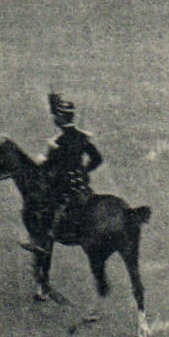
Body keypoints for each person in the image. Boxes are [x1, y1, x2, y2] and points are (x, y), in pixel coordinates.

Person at [37, 94, 102, 247]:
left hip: (63, 185)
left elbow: (48, 165)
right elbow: (97, 158)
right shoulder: (82, 137)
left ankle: (44, 241)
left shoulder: (58, 141)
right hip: (81, 184)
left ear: (60, 118)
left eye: (56, 116)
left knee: (45, 206)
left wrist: (42, 161)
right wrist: (84, 171)